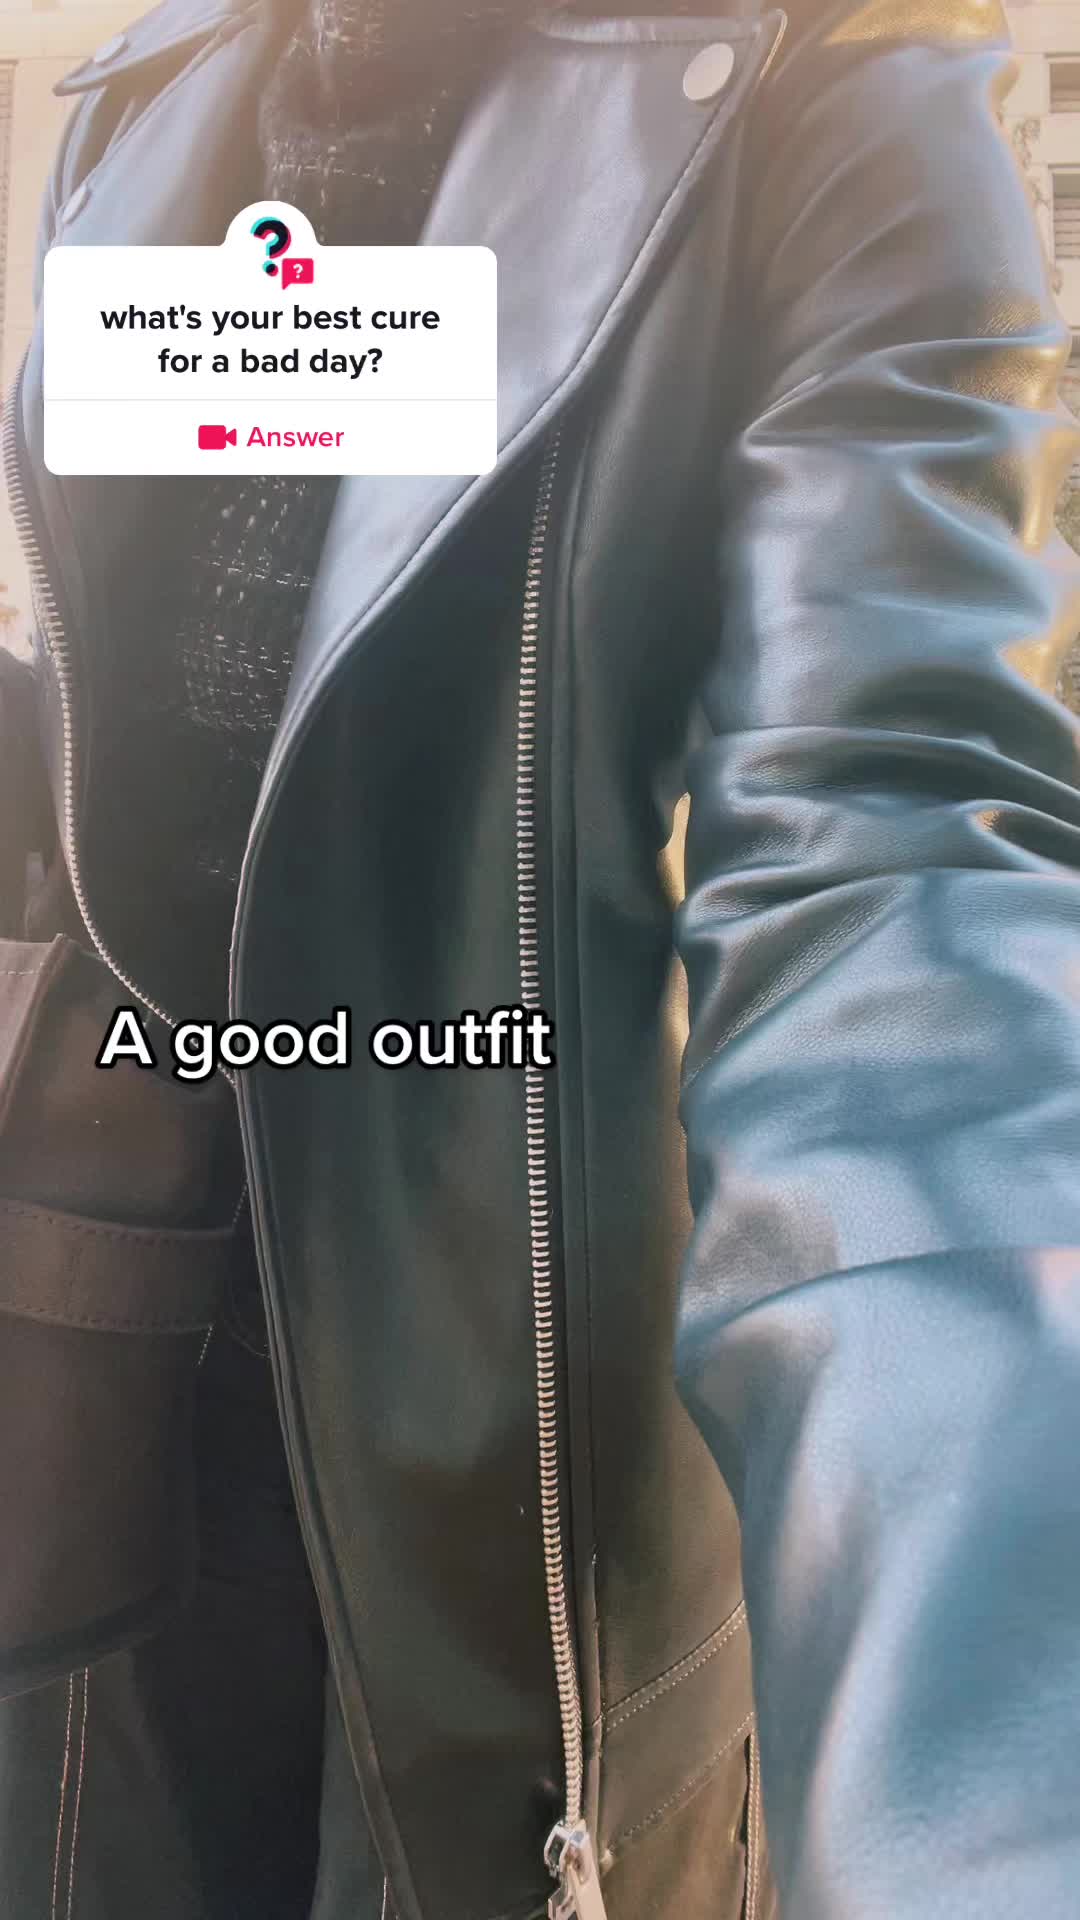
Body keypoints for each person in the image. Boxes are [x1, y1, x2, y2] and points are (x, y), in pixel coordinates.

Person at [1, 0, 1079, 1915]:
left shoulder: (844, 75)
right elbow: (185, 709)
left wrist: (983, 1767)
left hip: (516, 1478)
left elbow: (892, 850)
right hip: (110, 1386)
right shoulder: (163, 90)